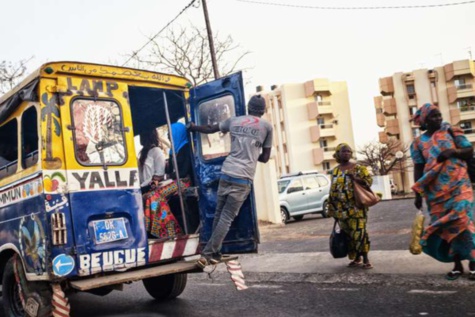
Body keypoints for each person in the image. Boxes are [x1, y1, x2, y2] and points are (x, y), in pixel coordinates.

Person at [188, 95, 273, 268]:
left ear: (248, 107)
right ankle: (207, 254)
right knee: (226, 218)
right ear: (263, 110)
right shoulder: (267, 127)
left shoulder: (234, 121)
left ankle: (215, 252)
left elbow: (211, 128)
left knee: (219, 214)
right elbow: (265, 158)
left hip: (226, 173)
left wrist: (193, 127)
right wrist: (251, 152)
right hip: (243, 178)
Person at [410, 103, 475, 280]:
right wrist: (418, 194)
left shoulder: (452, 131)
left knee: (463, 219)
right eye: (433, 116)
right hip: (435, 192)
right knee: (447, 226)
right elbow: (418, 168)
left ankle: (473, 263)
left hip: (460, 184)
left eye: (439, 115)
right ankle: (457, 266)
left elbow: (469, 150)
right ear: (424, 120)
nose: (438, 119)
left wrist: (452, 152)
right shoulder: (417, 143)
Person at [328, 143, 374, 269]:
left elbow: (368, 182)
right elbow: (333, 190)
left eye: (349, 151)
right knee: (348, 235)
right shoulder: (335, 171)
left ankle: (366, 258)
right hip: (341, 210)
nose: (346, 153)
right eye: (343, 151)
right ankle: (356, 258)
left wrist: (355, 178)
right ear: (338, 154)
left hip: (356, 208)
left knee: (359, 233)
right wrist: (333, 209)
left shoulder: (358, 168)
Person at [138, 129, 182, 239]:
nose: (140, 138)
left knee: (152, 198)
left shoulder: (156, 151)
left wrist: (149, 186)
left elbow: (159, 175)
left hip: (153, 185)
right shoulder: (142, 153)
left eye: (143, 136)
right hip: (144, 186)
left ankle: (166, 232)